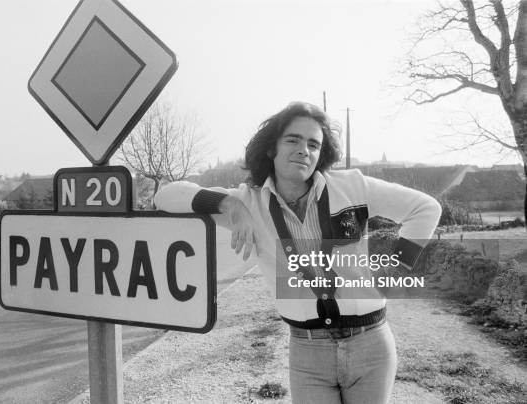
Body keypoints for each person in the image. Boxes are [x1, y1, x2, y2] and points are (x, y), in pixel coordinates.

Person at [154, 101, 441, 403]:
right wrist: (229, 205)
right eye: (293, 140)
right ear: (270, 148)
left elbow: (425, 208)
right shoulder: (248, 202)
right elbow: (167, 196)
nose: (304, 149)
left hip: (370, 344)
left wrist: (396, 268)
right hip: (308, 352)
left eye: (313, 144)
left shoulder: (352, 186)